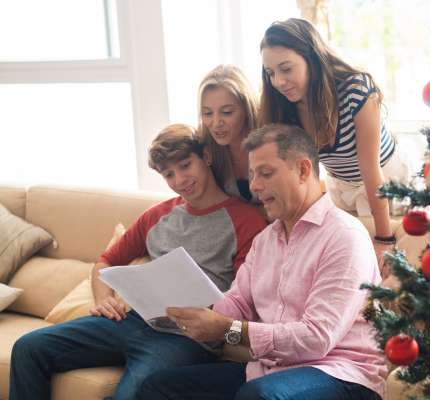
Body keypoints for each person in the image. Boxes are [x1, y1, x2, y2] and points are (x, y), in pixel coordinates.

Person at [9, 124, 267, 400]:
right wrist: (103, 298)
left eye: (185, 165)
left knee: (131, 395)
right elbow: (106, 261)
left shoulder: (245, 219)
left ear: (205, 156)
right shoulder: (156, 216)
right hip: (131, 321)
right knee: (28, 347)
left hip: (185, 338)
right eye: (169, 174)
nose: (180, 179)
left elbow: (245, 297)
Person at [136, 124, 386, 400]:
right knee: (156, 387)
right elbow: (239, 301)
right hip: (271, 370)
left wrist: (225, 329)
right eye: (253, 174)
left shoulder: (344, 236)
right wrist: (196, 310)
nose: (254, 185)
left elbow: (316, 339)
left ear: (303, 170)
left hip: (341, 373)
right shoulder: (266, 239)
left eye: (266, 173)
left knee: (258, 396)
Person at [259, 17, 413, 267]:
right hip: (342, 188)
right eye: (271, 73)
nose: (278, 82)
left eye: (286, 69)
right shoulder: (284, 106)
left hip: (386, 181)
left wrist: (384, 239)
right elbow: (304, 176)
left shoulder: (356, 89)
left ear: (312, 57)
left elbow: (370, 170)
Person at [198, 64, 259, 203]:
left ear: (246, 108)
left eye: (227, 112)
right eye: (207, 113)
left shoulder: (270, 142)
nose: (216, 123)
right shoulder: (205, 149)